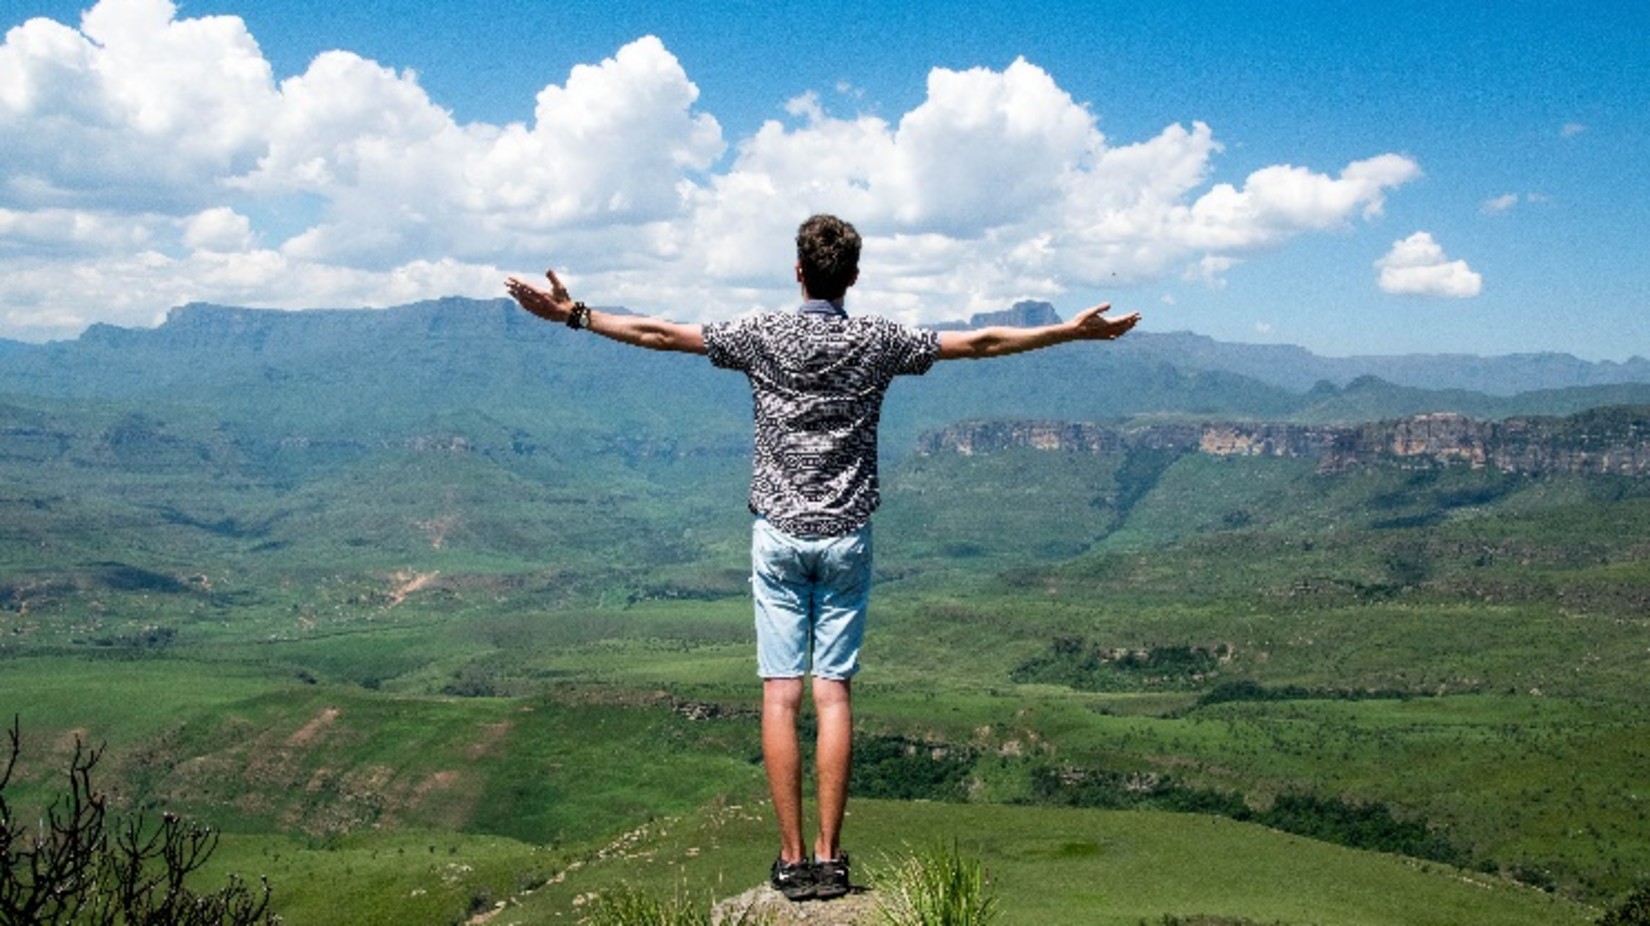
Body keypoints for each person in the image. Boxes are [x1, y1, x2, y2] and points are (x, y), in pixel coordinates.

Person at [505, 214, 1140, 902]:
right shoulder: (878, 340)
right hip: (846, 537)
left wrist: (575, 315)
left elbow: (660, 334)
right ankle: (832, 862)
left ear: (798, 271)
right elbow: (981, 342)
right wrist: (1070, 331)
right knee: (832, 692)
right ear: (854, 278)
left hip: (777, 535)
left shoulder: (762, 334)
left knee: (781, 693)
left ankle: (790, 859)